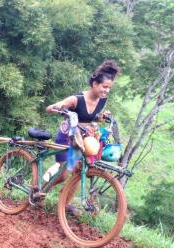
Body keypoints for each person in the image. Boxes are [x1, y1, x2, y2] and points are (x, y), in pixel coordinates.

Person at [44, 60, 121, 214]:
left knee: (79, 172)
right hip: (67, 137)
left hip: (82, 140)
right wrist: (59, 108)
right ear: (94, 83)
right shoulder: (76, 99)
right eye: (104, 87)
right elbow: (49, 109)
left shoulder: (102, 100)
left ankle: (64, 205)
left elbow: (90, 117)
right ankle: (43, 189)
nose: (106, 91)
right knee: (65, 173)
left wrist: (100, 117)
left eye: (109, 88)